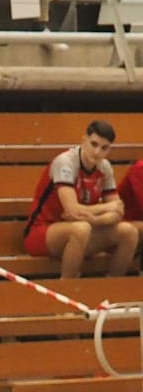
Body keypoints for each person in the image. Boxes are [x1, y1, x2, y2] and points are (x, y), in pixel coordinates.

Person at [22, 119, 139, 277]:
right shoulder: (65, 162)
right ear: (84, 139)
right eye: (94, 144)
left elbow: (118, 212)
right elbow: (72, 209)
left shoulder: (104, 167)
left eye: (104, 148)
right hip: (43, 231)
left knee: (129, 232)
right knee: (80, 229)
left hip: (83, 229)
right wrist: (105, 208)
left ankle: (110, 290)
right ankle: (67, 289)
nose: (97, 152)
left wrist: (95, 220)